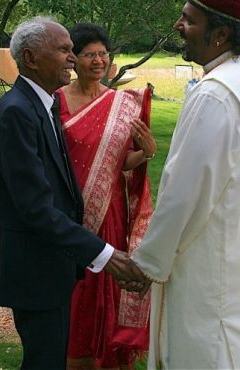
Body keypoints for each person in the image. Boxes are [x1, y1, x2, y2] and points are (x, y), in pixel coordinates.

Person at [0, 16, 146, 370]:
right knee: (45, 360)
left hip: (50, 261)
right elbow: (35, 207)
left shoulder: (43, 106)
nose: (73, 58)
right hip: (33, 265)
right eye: (64, 50)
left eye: (73, 49)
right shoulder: (16, 114)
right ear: (30, 58)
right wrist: (105, 254)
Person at [131, 0, 240, 369]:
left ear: (221, 34)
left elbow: (184, 193)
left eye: (189, 20)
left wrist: (148, 263)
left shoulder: (216, 93)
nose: (178, 25)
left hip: (213, 272)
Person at [56, 22, 157, 370]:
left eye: (103, 54)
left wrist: (145, 152)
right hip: (70, 215)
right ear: (74, 59)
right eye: (89, 55)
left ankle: (108, 356)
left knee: (107, 284)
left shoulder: (120, 104)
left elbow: (121, 163)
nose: (98, 61)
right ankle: (75, 356)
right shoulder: (56, 103)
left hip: (110, 214)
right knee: (77, 293)